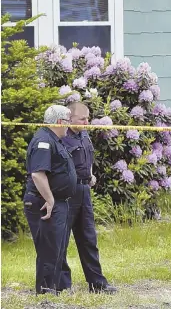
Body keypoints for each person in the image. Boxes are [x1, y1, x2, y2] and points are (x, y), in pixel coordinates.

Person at [59, 102, 117, 294]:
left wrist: (90, 175)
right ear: (70, 119)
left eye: (87, 118)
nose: (86, 121)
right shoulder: (62, 137)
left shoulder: (84, 134)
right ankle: (62, 285)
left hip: (84, 191)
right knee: (62, 239)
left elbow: (87, 157)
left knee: (88, 239)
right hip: (67, 193)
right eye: (82, 118)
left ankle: (97, 284)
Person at [23, 104, 77, 295]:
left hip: (58, 202)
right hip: (43, 202)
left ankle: (57, 287)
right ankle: (46, 293)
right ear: (60, 122)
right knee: (48, 249)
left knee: (58, 248)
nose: (69, 125)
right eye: (68, 121)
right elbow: (38, 174)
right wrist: (50, 199)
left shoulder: (55, 140)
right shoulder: (43, 141)